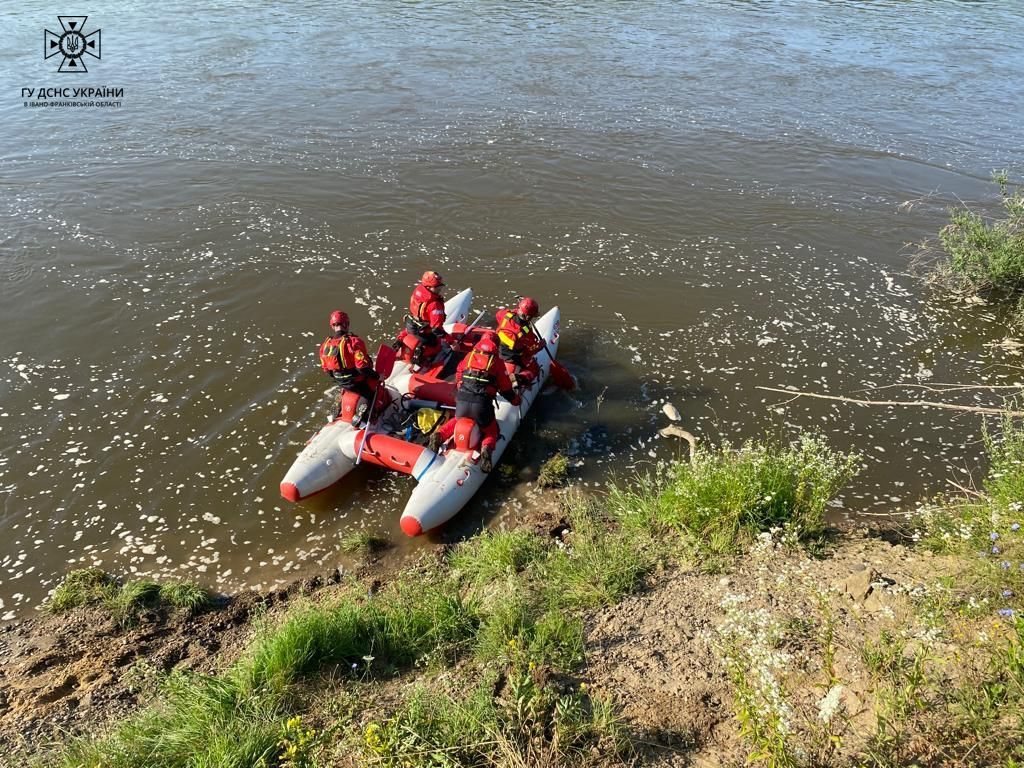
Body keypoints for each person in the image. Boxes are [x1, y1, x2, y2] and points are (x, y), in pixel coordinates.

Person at [429, 334, 520, 472]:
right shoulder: (497, 362)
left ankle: (439, 435)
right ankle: (486, 449)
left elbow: (459, 375)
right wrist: (515, 400)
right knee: (491, 430)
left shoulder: (469, 356)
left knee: (457, 419)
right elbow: (506, 388)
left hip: (462, 400)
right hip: (481, 405)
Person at [319, 310, 386, 425]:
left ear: (332, 325)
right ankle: (361, 415)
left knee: (347, 385)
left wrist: (342, 380)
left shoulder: (325, 345)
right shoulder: (354, 342)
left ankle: (341, 401)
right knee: (369, 392)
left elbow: (327, 370)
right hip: (357, 381)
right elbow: (362, 369)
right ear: (346, 324)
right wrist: (377, 376)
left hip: (341, 381)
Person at [395, 270, 449, 366]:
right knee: (437, 345)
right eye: (437, 287)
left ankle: (400, 340)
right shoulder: (434, 304)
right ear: (428, 286)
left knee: (413, 328)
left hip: (412, 323)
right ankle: (423, 354)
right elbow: (437, 329)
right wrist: (452, 342)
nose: (439, 288)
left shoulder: (419, 291)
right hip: (424, 331)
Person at [495, 296, 544, 387]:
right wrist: (540, 345)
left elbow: (498, 315)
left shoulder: (506, 315)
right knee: (534, 370)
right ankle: (519, 378)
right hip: (513, 357)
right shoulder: (526, 331)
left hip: (499, 351)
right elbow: (531, 349)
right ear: (529, 316)